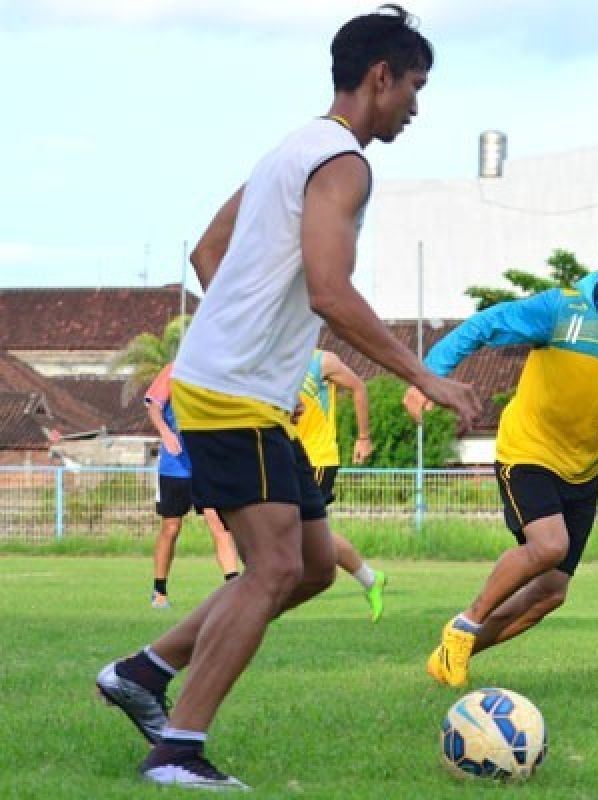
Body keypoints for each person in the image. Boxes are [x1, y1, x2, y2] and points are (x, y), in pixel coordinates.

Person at [95, 7, 480, 788]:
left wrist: (252, 323)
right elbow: (333, 293)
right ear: (381, 77)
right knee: (271, 569)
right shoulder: (344, 163)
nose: (415, 106)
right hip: (234, 393)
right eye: (414, 86)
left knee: (309, 567)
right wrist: (423, 375)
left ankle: (144, 669)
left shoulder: (290, 148)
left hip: (236, 384)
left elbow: (209, 250)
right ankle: (177, 750)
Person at [405, 224, 598, 689]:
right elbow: (485, 325)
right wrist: (430, 375)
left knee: (550, 594)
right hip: (527, 449)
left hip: (583, 468)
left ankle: (452, 653)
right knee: (549, 545)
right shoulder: (561, 309)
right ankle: (465, 623)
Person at [294, 348, 387, 622]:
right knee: (304, 530)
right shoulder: (271, 359)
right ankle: (371, 580)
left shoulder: (321, 361)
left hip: (318, 459)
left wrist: (363, 437)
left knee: (299, 527)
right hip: (286, 455)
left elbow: (358, 388)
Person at [144, 363, 240, 608]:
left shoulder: (220, 370)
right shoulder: (175, 370)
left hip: (207, 463)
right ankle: (159, 590)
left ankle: (234, 590)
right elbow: (154, 407)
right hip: (174, 465)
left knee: (220, 527)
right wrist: (166, 433)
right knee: (171, 527)